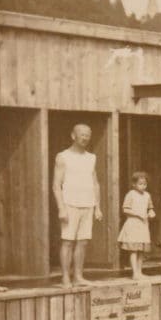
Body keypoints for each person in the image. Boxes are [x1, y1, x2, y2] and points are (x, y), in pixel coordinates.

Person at [52, 123, 102, 288]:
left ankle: (78, 276)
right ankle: (65, 277)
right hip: (69, 204)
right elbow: (56, 185)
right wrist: (61, 208)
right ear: (73, 136)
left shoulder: (91, 157)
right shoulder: (63, 156)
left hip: (87, 204)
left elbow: (95, 183)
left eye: (88, 134)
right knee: (67, 241)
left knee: (83, 242)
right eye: (82, 134)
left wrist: (98, 207)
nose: (85, 137)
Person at [118, 171, 155, 279]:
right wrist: (138, 214)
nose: (143, 186)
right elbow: (125, 209)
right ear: (134, 184)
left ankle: (139, 272)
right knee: (134, 249)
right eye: (140, 184)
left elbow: (150, 207)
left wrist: (151, 212)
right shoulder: (131, 194)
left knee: (141, 250)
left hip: (143, 225)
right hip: (133, 224)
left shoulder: (147, 195)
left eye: (145, 184)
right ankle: (134, 273)